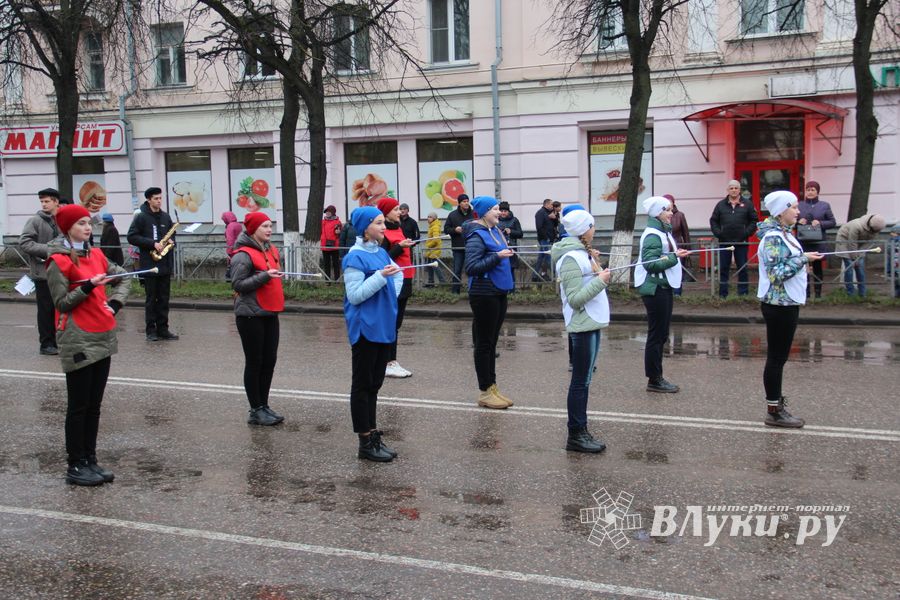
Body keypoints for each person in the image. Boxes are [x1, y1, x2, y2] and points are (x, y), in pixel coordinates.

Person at [46, 204, 131, 486]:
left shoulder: (95, 253)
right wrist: (88, 287)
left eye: (88, 222)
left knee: (94, 405)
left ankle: (90, 460)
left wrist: (115, 302)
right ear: (67, 227)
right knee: (79, 406)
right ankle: (75, 464)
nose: (87, 227)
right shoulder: (59, 260)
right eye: (81, 223)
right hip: (77, 336)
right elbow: (61, 303)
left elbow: (124, 278)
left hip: (103, 334)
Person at [756, 191, 823, 428]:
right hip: (778, 304)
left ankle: (776, 405)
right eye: (793, 207)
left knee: (779, 358)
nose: (798, 211)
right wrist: (803, 259)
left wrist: (805, 258)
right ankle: (773, 411)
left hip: (787, 303)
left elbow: (789, 263)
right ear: (781, 210)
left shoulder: (784, 234)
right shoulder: (773, 238)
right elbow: (777, 274)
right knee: (776, 358)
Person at [342, 206, 404, 462]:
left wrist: (390, 294)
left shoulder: (380, 252)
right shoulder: (354, 257)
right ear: (365, 227)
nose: (383, 226)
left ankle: (373, 434)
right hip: (365, 327)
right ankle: (364, 442)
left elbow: (397, 277)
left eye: (383, 222)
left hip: (383, 325)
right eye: (378, 223)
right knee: (363, 385)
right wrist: (380, 278)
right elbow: (355, 295)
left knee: (375, 385)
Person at [551, 208, 610, 453]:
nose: (594, 230)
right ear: (584, 230)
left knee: (585, 381)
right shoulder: (570, 259)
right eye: (592, 225)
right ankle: (575, 434)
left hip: (591, 322)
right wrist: (601, 280)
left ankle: (582, 430)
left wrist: (597, 270)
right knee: (579, 382)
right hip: (582, 323)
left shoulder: (581, 253)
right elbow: (574, 299)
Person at [230, 212, 286, 427]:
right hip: (250, 314)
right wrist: (265, 276)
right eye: (264, 226)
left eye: (270, 226)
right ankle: (255, 409)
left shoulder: (270, 249)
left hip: (270, 312)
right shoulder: (242, 254)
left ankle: (264, 405)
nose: (269, 229)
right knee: (255, 362)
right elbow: (238, 284)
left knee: (269, 361)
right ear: (253, 229)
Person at [465, 196, 516, 409]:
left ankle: (492, 386)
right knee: (484, 344)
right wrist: (498, 256)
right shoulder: (477, 235)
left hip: (498, 291)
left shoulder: (495, 230)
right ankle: (485, 391)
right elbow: (472, 267)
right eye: (495, 209)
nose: (499, 212)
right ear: (484, 212)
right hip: (484, 293)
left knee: (492, 343)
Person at [636, 196, 690, 393]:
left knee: (661, 334)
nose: (671, 213)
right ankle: (654, 379)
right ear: (658, 213)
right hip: (655, 288)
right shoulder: (652, 234)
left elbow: (663, 256)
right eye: (668, 210)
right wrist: (674, 258)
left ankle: (656, 377)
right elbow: (649, 264)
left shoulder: (661, 231)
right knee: (657, 335)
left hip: (662, 287)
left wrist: (675, 254)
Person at [127, 187, 179, 341]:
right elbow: (132, 236)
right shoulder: (141, 217)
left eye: (160, 198)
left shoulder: (165, 217)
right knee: (151, 299)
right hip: (150, 264)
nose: (159, 201)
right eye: (156, 198)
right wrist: (152, 243)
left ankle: (163, 329)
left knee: (164, 298)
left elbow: (172, 233)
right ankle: (151, 330)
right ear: (149, 200)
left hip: (164, 264)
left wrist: (171, 241)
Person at [18, 187, 62, 355]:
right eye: (42, 201)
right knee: (46, 310)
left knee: (62, 307)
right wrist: (49, 249)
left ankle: (61, 340)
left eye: (47, 201)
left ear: (56, 202)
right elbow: (25, 243)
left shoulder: (62, 219)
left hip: (62, 272)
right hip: (43, 273)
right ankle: (46, 343)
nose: (44, 204)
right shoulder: (35, 221)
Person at [378, 197, 415, 378]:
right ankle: (387, 362)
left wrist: (406, 245)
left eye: (399, 209)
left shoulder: (398, 227)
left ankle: (391, 361)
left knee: (396, 324)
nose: (399, 212)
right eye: (395, 209)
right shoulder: (383, 232)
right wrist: (400, 247)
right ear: (385, 213)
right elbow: (382, 259)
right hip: (393, 281)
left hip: (405, 279)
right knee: (391, 323)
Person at [709, 180, 758, 297]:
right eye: (731, 188)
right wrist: (718, 233)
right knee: (723, 268)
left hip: (742, 242)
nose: (734, 190)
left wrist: (746, 233)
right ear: (728, 190)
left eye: (736, 188)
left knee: (742, 268)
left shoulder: (748, 204)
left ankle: (743, 294)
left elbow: (754, 220)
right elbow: (713, 220)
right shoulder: (720, 205)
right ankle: (723, 294)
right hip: (725, 241)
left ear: (739, 190)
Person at [796, 181, 836, 298]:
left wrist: (820, 223)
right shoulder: (799, 205)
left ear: (817, 192)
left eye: (813, 190)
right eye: (808, 190)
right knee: (804, 268)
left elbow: (832, 222)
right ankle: (806, 293)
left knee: (818, 268)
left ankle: (818, 294)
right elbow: (790, 222)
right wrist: (798, 222)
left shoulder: (824, 205)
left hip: (818, 241)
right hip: (803, 241)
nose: (810, 192)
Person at [835, 214, 886, 297]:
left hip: (859, 246)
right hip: (844, 242)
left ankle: (863, 294)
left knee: (860, 269)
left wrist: (860, 254)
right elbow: (852, 242)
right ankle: (850, 293)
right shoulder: (856, 226)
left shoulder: (876, 229)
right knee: (850, 268)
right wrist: (855, 258)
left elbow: (868, 243)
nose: (875, 233)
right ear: (870, 226)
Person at [443, 194, 474, 294]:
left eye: (467, 201)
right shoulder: (452, 215)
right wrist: (455, 230)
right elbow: (446, 229)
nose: (466, 203)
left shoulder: (474, 214)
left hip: (472, 247)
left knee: (472, 270)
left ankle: (472, 291)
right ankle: (455, 292)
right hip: (458, 247)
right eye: (463, 201)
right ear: (459, 203)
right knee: (457, 270)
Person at [665, 194, 693, 294]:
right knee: (666, 269)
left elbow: (685, 232)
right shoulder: (660, 216)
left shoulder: (680, 215)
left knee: (678, 269)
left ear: (673, 203)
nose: (668, 204)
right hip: (666, 248)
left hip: (678, 246)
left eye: (670, 202)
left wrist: (688, 248)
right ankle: (668, 291)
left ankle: (677, 292)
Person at [533, 198, 559, 281]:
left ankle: (534, 276)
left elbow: (555, 225)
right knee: (548, 257)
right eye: (551, 204)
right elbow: (539, 227)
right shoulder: (540, 213)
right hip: (544, 239)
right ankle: (557, 274)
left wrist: (554, 218)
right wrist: (546, 237)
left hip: (549, 238)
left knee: (541, 258)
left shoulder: (549, 213)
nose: (553, 206)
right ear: (546, 204)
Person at [497, 201, 523, 279]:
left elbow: (520, 234)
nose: (503, 213)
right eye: (501, 211)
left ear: (508, 211)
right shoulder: (496, 220)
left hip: (511, 248)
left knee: (511, 269)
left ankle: (512, 289)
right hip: (499, 248)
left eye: (505, 211)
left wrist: (511, 231)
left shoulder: (514, 220)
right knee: (500, 269)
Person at [424, 212, 447, 287]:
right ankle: (431, 282)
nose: (428, 218)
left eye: (430, 217)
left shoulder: (435, 226)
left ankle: (442, 282)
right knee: (430, 266)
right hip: (431, 250)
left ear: (434, 218)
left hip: (434, 250)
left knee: (435, 267)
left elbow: (436, 240)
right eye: (428, 216)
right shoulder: (432, 226)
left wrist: (428, 246)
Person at [320, 205, 343, 280]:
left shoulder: (337, 222)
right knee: (326, 264)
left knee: (335, 264)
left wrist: (339, 232)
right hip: (325, 245)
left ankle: (337, 280)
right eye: (326, 212)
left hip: (334, 245)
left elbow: (340, 233)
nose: (327, 213)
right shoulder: (323, 222)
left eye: (329, 212)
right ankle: (327, 280)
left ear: (333, 212)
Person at [222, 211, 242, 280]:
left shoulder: (230, 226)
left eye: (224, 219)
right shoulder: (238, 224)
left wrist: (229, 251)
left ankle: (230, 279)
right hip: (239, 247)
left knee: (231, 264)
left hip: (233, 248)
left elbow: (230, 239)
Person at [890, 224, 900, 299]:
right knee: (896, 278)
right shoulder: (893, 241)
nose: (891, 234)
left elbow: (889, 250)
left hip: (896, 263)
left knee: (896, 278)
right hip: (896, 263)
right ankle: (897, 294)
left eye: (893, 232)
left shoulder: (894, 240)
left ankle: (897, 294)